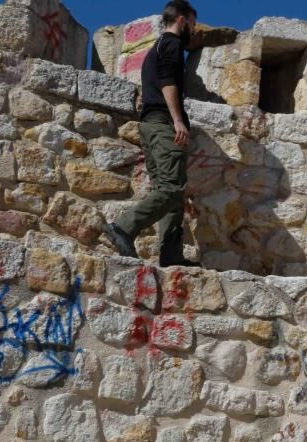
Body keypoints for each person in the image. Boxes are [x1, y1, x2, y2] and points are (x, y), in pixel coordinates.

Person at [104, 1, 198, 267]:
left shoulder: (154, 49)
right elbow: (168, 81)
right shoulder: (172, 44)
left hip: (151, 125)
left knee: (170, 190)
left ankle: (171, 255)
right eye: (192, 22)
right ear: (181, 20)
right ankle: (123, 227)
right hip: (163, 124)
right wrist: (177, 120)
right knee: (171, 188)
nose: (194, 29)